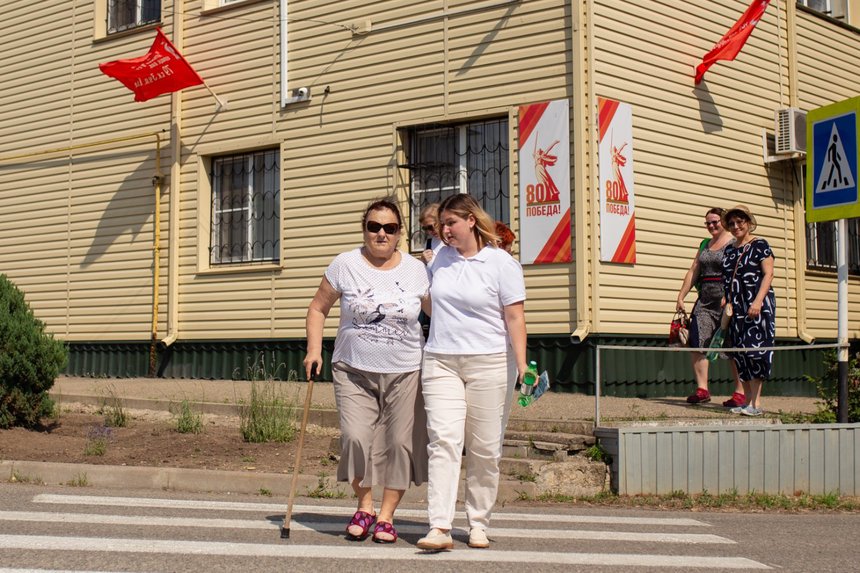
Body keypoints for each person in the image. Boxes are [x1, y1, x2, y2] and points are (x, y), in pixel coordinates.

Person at [303, 197, 430, 544]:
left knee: (400, 443)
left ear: (400, 233)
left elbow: (441, 313)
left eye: (390, 228)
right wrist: (314, 350)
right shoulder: (345, 264)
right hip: (353, 370)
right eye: (374, 227)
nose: (381, 233)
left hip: (406, 371)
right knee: (356, 438)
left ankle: (386, 516)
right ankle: (365, 505)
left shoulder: (417, 270)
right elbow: (317, 308)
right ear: (364, 230)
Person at [416, 194, 527, 551]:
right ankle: (439, 525)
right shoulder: (437, 259)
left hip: (490, 361)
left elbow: (515, 317)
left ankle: (478, 522)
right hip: (440, 360)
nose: (444, 230)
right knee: (444, 440)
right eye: (441, 225)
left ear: (471, 221)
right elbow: (431, 307)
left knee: (484, 447)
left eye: (450, 223)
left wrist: (522, 365)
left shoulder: (501, 263)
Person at [676, 208, 745, 407]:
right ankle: (702, 389)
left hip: (727, 301)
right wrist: (681, 296)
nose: (711, 226)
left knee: (731, 344)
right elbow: (694, 270)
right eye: (708, 223)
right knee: (697, 340)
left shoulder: (734, 243)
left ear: (723, 221)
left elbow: (738, 272)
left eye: (715, 221)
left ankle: (740, 392)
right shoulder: (705, 244)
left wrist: (729, 295)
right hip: (705, 299)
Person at [721, 204, 776, 417]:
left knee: (755, 351)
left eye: (739, 222)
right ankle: (746, 401)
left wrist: (758, 301)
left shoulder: (760, 245)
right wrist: (726, 298)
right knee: (740, 353)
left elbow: (768, 274)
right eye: (731, 223)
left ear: (749, 223)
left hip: (756, 305)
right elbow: (727, 278)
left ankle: (756, 403)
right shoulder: (729, 249)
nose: (735, 226)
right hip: (736, 307)